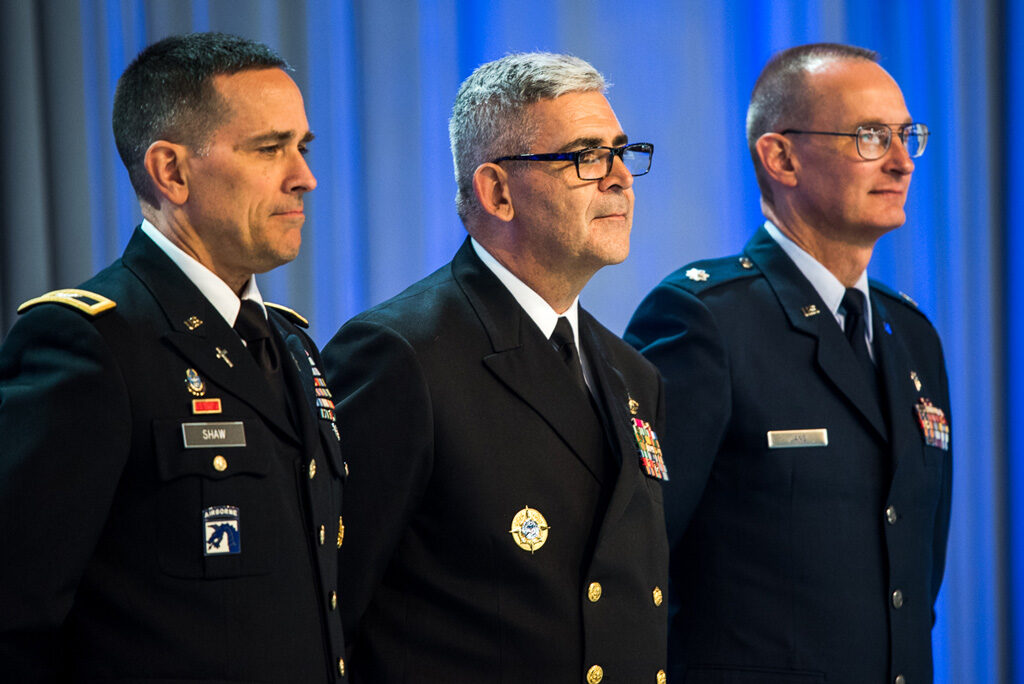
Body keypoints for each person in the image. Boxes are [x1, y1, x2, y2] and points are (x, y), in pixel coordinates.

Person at [0, 32, 348, 682]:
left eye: (302, 148)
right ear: (172, 171)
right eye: (270, 148)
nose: (305, 177)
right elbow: (17, 616)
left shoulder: (292, 345)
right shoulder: (90, 342)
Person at [321, 52, 668, 683]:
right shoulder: (401, 354)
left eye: (623, 151)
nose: (620, 177)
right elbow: (331, 613)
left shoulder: (631, 373)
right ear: (497, 191)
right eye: (587, 155)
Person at [625, 43, 951, 684]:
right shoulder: (704, 320)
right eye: (869, 136)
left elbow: (916, 579)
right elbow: (637, 563)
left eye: (907, 135)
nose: (902, 161)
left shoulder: (911, 334)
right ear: (781, 157)